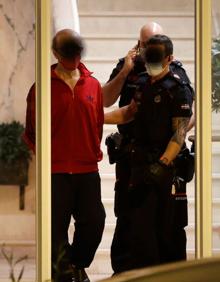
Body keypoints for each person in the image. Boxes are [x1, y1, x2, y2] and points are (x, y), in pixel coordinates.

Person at [103, 22, 195, 273]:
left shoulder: (178, 85)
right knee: (136, 226)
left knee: (168, 228)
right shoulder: (140, 79)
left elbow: (180, 129)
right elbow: (128, 112)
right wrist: (93, 116)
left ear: (168, 58)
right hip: (138, 163)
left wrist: (164, 162)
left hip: (165, 166)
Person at [23, 29, 106, 282]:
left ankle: (77, 265)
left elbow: (98, 124)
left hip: (87, 169)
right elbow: (31, 131)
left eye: (77, 53)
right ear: (55, 53)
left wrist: (90, 150)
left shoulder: (92, 84)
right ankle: (64, 274)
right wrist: (49, 158)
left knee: (94, 221)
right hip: (56, 171)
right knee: (55, 229)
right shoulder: (42, 87)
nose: (74, 59)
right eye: (68, 54)